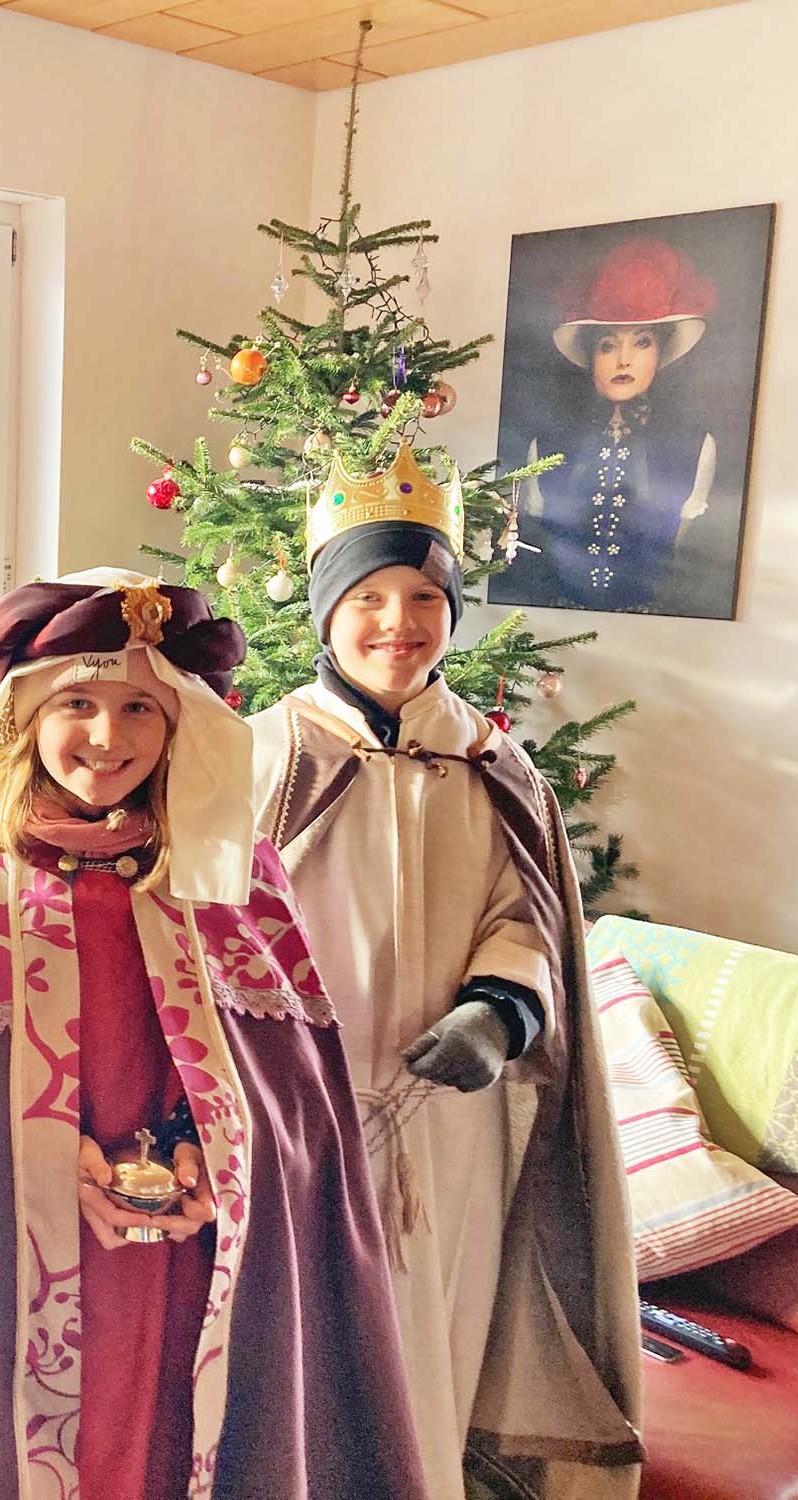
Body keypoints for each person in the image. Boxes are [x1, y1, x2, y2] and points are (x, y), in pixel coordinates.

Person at [0, 567, 427, 1499]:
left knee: (170, 1446)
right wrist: (40, 1159)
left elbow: (299, 1104)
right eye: (77, 704)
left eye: (139, 707)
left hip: (192, 1255)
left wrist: (207, 1154)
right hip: (3, 1267)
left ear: (181, 721)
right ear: (25, 718)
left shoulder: (236, 876)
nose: (108, 737)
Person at [249, 442, 642, 1498]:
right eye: (368, 597)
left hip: (447, 1123)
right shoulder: (256, 761)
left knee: (435, 1335)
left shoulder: (493, 764)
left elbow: (528, 917)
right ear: (326, 612)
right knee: (298, 1353)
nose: (399, 622)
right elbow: (202, 931)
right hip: (296, 1119)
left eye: (424, 596)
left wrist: (497, 1011)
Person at [514, 236, 719, 611]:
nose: (624, 360)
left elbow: (677, 555)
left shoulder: (694, 446)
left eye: (642, 343)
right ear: (591, 355)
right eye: (608, 345)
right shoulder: (546, 445)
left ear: (660, 352)